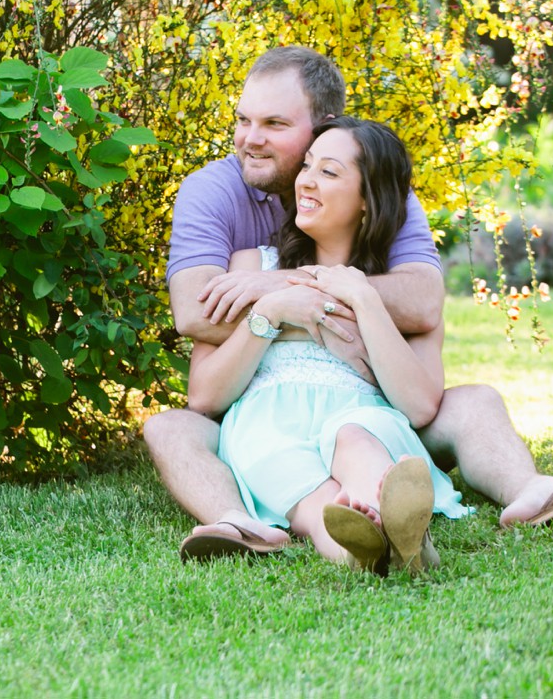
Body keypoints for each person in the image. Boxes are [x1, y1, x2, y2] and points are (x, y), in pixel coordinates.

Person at [145, 46, 553, 561]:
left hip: (367, 405)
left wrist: (329, 293)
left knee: (412, 420)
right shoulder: (217, 197)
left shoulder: (383, 191)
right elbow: (198, 315)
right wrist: (286, 308)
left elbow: (421, 307)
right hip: (264, 410)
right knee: (176, 429)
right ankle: (249, 522)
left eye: (275, 123)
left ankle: (513, 494)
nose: (250, 139)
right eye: (243, 120)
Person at [195, 115, 470, 574]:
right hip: (267, 421)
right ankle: (363, 549)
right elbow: (204, 395)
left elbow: (420, 406)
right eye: (306, 166)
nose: (306, 181)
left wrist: (362, 296)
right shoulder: (250, 267)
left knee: (356, 438)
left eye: (329, 172)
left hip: (361, 414)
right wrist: (274, 310)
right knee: (304, 485)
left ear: (368, 200)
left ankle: (395, 526)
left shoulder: (395, 292)